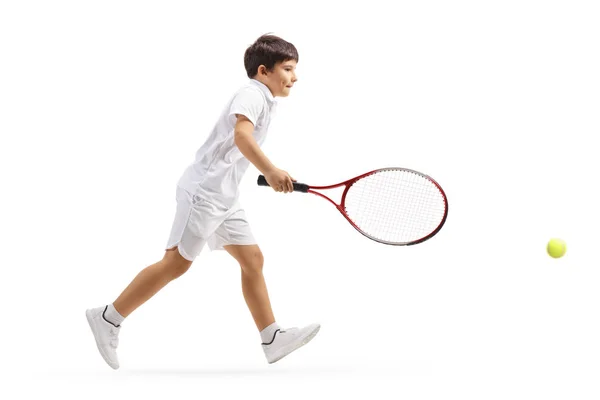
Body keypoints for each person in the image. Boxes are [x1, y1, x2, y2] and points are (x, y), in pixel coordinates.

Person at [86, 34, 320, 370]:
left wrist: (268, 172)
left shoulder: (264, 99)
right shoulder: (251, 93)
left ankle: (271, 338)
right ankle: (108, 318)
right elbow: (242, 136)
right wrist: (269, 170)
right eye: (288, 68)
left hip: (225, 197)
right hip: (203, 194)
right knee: (175, 264)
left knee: (252, 259)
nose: (294, 77)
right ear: (263, 71)